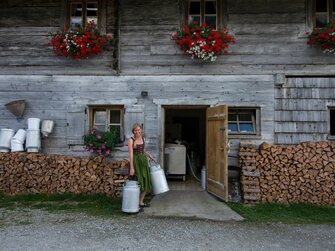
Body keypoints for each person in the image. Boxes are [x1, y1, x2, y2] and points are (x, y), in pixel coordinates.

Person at [128, 123, 154, 208]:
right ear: (133, 131)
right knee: (138, 181)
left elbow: (143, 151)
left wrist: (149, 155)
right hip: (136, 161)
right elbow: (131, 154)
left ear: (141, 130)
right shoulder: (131, 140)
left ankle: (141, 202)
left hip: (143, 161)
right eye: (135, 130)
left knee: (145, 179)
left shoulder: (143, 138)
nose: (137, 132)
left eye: (139, 130)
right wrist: (132, 168)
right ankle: (134, 202)